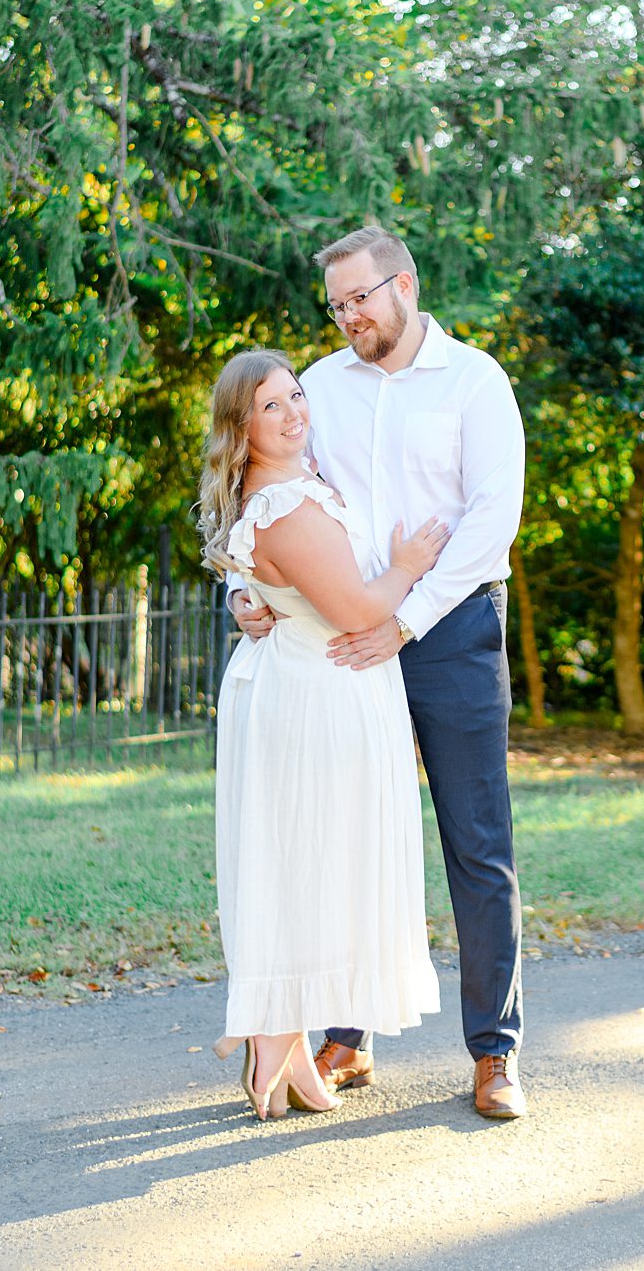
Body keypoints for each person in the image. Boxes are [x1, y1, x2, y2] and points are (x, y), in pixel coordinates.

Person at [229, 226, 529, 1120]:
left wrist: (404, 618)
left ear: (404, 285)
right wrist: (247, 593)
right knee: (345, 836)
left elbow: (493, 518)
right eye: (336, 306)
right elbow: (270, 496)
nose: (348, 317)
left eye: (359, 298)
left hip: (450, 627)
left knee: (476, 842)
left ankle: (495, 1052)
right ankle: (346, 1037)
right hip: (340, 644)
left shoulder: (475, 381)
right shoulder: (318, 387)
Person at [199, 348, 448, 1120]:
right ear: (242, 427)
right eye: (270, 406)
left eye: (296, 395)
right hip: (317, 697)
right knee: (315, 863)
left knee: (304, 863)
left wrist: (245, 593)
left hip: (310, 686)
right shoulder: (285, 505)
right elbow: (356, 610)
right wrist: (408, 563)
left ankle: (294, 1047)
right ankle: (273, 1034)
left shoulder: (283, 490)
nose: (293, 413)